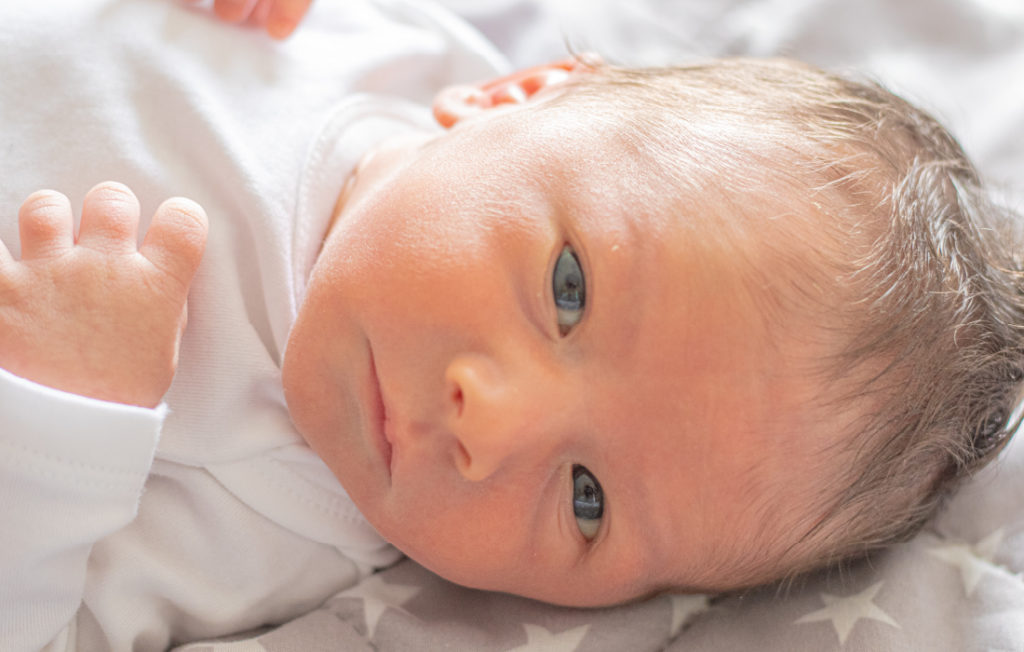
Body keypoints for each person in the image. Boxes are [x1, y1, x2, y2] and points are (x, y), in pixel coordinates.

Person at [1, 1, 1022, 650]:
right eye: (568, 292)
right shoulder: (385, 46)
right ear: (514, 94)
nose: (489, 423)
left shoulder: (272, 527)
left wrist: (61, 426)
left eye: (588, 501)